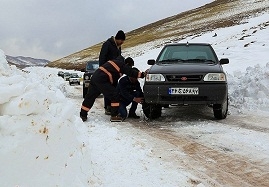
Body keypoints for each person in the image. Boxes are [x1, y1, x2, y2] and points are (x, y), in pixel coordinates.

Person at [80, 56, 145, 122]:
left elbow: (113, 80)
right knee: (115, 95)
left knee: (90, 97)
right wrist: (142, 75)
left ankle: (83, 114)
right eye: (130, 66)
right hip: (102, 79)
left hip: (95, 78)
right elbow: (130, 71)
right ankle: (114, 115)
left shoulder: (113, 65)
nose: (129, 68)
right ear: (127, 64)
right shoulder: (121, 64)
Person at [99, 30, 126, 115]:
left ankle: (113, 107)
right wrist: (103, 71)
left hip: (115, 72)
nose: (122, 43)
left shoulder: (118, 47)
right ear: (117, 39)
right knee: (108, 89)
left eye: (123, 41)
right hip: (106, 71)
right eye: (121, 41)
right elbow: (102, 58)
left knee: (114, 89)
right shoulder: (107, 44)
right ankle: (107, 107)